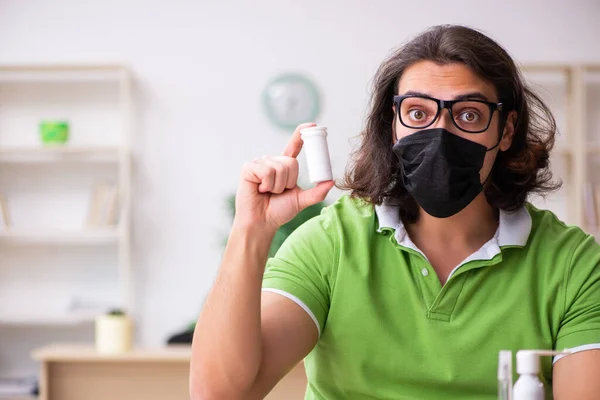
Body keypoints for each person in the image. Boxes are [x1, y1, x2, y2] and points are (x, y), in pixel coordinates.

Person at [190, 25, 600, 399]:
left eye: (468, 115)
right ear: (393, 125)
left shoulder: (573, 265)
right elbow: (219, 395)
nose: (441, 134)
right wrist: (251, 230)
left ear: (506, 130)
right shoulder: (332, 243)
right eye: (418, 113)